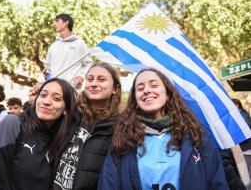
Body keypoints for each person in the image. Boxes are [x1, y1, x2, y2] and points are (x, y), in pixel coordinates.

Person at [98, 68, 229, 190]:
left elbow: (217, 182)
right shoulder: (123, 139)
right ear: (135, 99)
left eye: (154, 85)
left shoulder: (195, 135)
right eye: (140, 88)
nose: (146, 91)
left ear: (168, 94)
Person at [0, 78, 77, 190]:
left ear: (66, 109)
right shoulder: (12, 124)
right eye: (43, 95)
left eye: (56, 98)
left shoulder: (64, 139)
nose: (46, 102)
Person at [52, 63, 122, 190]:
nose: (94, 83)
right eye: (90, 79)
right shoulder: (70, 115)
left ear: (115, 89)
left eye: (101, 79)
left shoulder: (120, 127)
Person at [44, 14, 93, 90]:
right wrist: (47, 70)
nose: (54, 24)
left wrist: (81, 76)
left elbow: (88, 64)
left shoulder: (80, 44)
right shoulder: (53, 46)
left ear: (66, 22)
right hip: (53, 87)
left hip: (70, 88)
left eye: (57, 21)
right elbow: (48, 66)